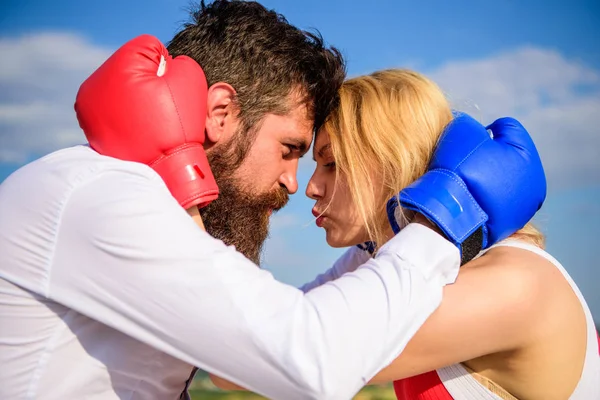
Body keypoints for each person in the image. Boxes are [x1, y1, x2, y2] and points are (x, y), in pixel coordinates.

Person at [0, 3, 547, 400]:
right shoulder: (105, 196)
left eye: (320, 162)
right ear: (220, 113)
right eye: (291, 150)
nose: (295, 183)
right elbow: (309, 359)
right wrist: (445, 217)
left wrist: (391, 227)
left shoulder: (131, 204)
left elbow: (265, 343)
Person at [230, 69, 595, 399]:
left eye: (332, 163)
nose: (310, 187)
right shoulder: (393, 259)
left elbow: (290, 357)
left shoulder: (515, 283)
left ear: (393, 159)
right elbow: (235, 349)